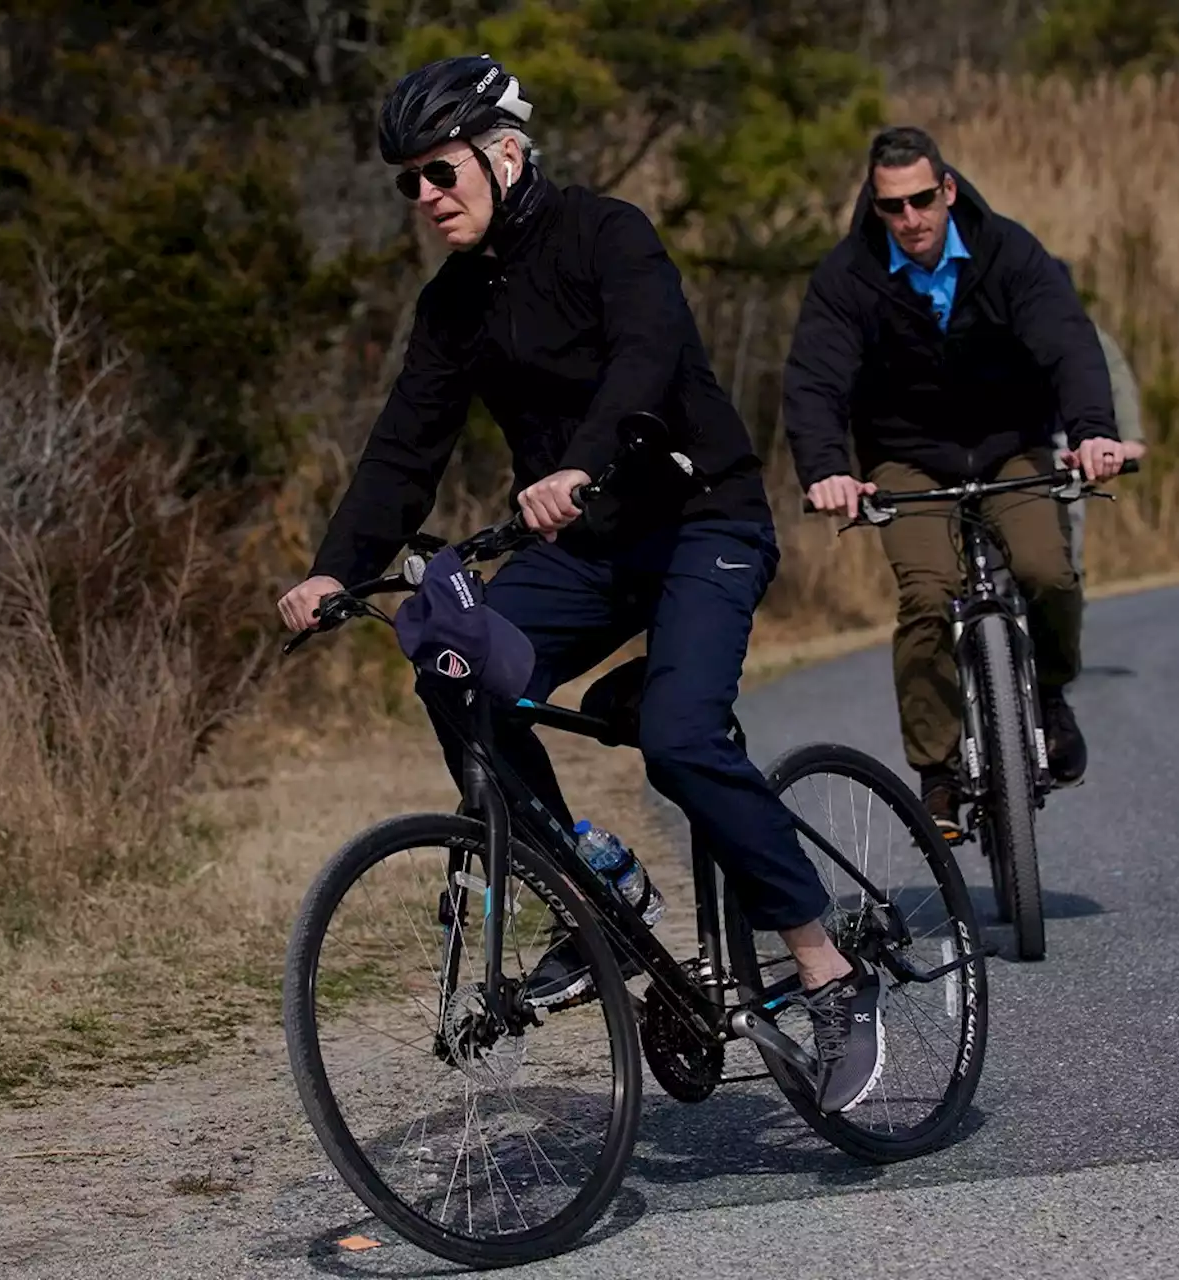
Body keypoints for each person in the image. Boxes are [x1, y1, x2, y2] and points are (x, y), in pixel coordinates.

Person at [277, 55, 883, 1113]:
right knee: (451, 663)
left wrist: (582, 460)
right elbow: (401, 448)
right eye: (408, 181)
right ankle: (589, 879)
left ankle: (825, 968)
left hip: (704, 521)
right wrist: (333, 568)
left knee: (681, 736)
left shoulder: (609, 234)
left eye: (440, 170)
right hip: (588, 551)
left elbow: (643, 358)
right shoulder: (452, 305)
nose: (424, 196)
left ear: (506, 155)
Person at [783, 125, 1130, 837]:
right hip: (908, 457)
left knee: (1048, 571)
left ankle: (1053, 697)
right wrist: (827, 472)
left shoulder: (1006, 250)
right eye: (891, 207)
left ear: (946, 190)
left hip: (1012, 447)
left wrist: (1093, 429)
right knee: (927, 594)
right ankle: (937, 771)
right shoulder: (848, 275)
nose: (909, 220)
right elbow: (815, 379)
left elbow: (1067, 340)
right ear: (874, 207)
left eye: (920, 200)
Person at [1051, 259, 1148, 585]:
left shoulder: (1084, 334)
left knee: (1070, 512)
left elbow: (1116, 377)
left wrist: (1129, 437)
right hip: (1007, 441)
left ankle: (1069, 583)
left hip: (1066, 438)